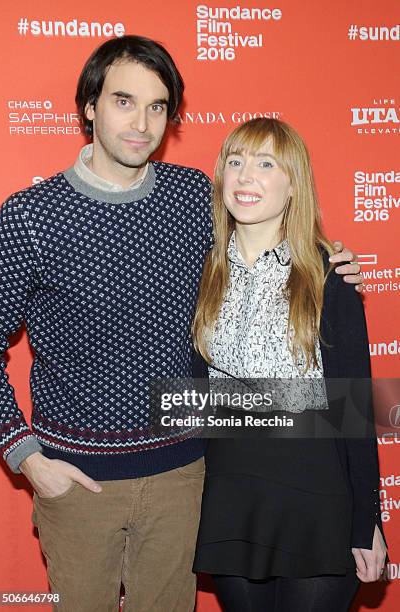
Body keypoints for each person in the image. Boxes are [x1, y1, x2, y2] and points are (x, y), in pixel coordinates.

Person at [0, 36, 362, 612]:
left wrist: (328, 261)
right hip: (78, 482)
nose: (142, 122)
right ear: (89, 106)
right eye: (123, 100)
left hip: (186, 476)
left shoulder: (194, 197)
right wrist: (27, 457)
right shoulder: (30, 216)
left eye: (158, 106)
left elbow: (266, 224)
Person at [192, 118, 387, 611]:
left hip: (316, 495)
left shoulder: (328, 274)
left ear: (294, 183)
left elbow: (354, 408)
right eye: (234, 162)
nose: (245, 176)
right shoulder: (202, 268)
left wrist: (367, 521)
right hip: (233, 493)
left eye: (265, 163)